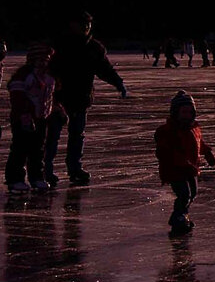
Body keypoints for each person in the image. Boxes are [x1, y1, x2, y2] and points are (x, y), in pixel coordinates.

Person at [47, 11, 128, 187]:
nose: (86, 27)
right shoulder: (59, 45)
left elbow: (104, 69)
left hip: (81, 99)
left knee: (77, 135)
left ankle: (75, 168)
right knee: (53, 136)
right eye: (82, 23)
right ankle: (47, 170)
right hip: (57, 99)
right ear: (72, 25)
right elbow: (47, 69)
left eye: (88, 24)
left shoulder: (94, 48)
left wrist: (118, 83)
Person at [156, 90, 215, 234]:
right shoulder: (169, 131)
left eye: (190, 112)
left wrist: (207, 153)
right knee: (184, 194)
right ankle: (179, 217)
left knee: (192, 193)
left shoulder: (194, 128)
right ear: (175, 113)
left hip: (191, 169)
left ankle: (181, 215)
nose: (187, 116)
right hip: (175, 170)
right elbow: (166, 151)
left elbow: (199, 143)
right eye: (183, 112)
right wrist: (183, 163)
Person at [7, 45, 59, 192]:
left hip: (41, 118)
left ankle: (36, 177)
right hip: (24, 118)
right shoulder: (25, 76)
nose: (43, 63)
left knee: (38, 150)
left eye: (46, 60)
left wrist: (57, 108)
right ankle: (15, 178)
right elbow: (17, 96)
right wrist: (24, 113)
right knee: (20, 148)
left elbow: (50, 96)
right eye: (40, 60)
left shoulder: (48, 76)